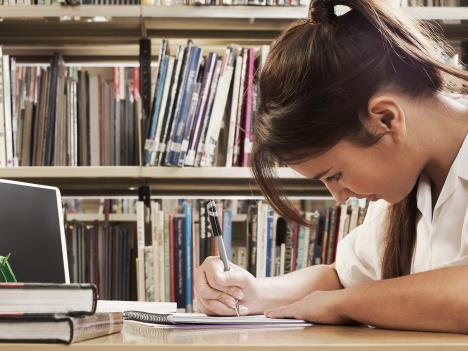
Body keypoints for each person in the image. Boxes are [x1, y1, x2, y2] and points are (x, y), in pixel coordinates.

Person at [194, 0, 468, 333]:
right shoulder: (405, 181)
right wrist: (252, 292)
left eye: (334, 175)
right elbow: (341, 277)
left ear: (385, 118)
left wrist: (345, 304)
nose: (339, 197)